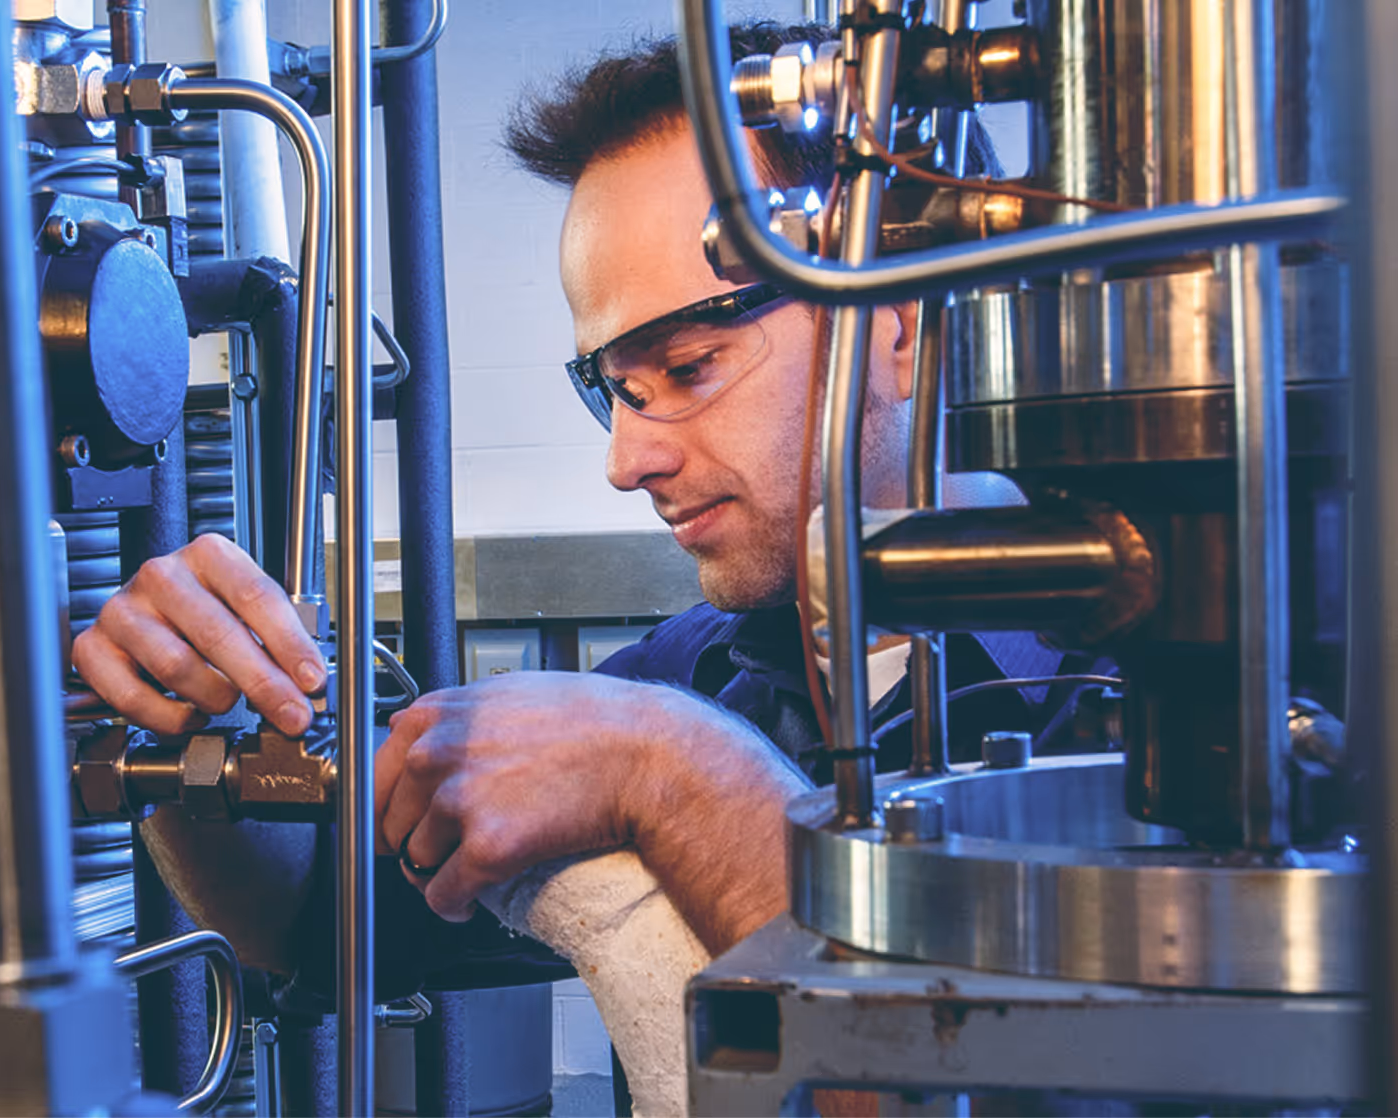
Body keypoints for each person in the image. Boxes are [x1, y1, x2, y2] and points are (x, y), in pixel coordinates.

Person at [73, 22, 1072, 967]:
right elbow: (312, 922)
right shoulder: (700, 678)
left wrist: (676, 781)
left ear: (893, 325)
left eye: (686, 366)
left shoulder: (1157, 693)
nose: (627, 459)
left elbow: (967, 1071)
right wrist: (186, 745)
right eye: (617, 391)